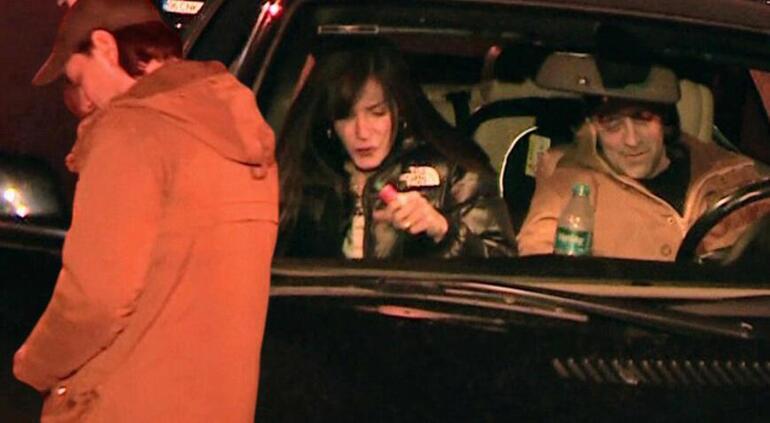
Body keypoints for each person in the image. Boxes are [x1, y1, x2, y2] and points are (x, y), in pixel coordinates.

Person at [12, 0, 278, 421]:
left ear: (105, 47)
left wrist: (35, 364)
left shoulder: (131, 133)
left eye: (79, 81)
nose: (83, 103)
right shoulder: (239, 133)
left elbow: (96, 297)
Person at [276, 39, 516, 259]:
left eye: (377, 113)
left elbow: (502, 264)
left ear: (399, 109)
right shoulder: (305, 174)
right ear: (330, 121)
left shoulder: (455, 170)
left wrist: (443, 230)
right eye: (346, 116)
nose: (362, 132)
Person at [518, 69, 769, 261]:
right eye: (612, 124)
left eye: (643, 118)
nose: (631, 140)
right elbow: (539, 259)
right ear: (593, 128)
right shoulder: (570, 184)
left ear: (665, 121)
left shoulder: (729, 171)